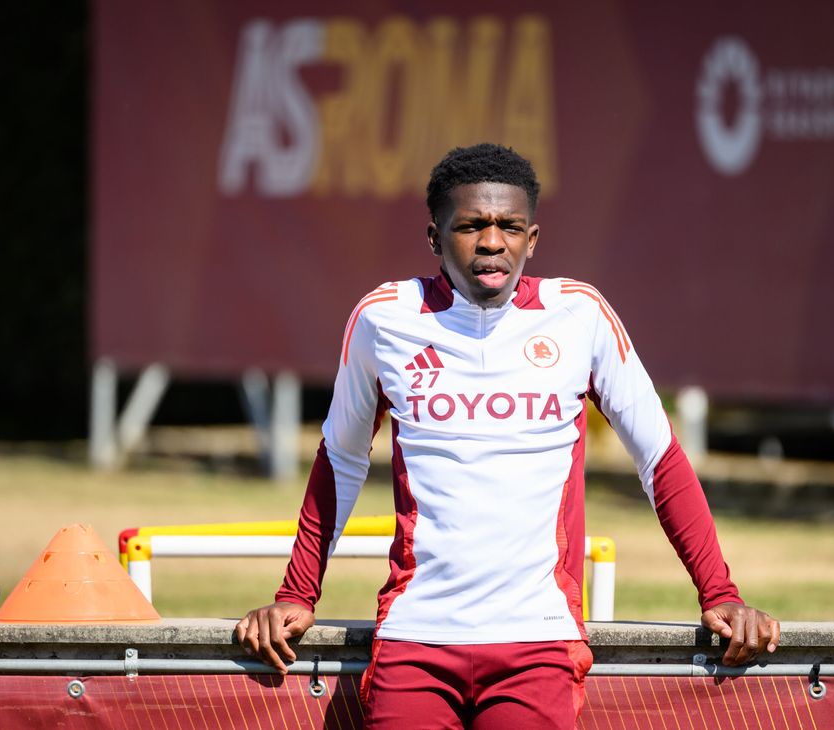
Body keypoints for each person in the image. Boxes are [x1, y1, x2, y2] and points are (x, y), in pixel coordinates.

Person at [237, 143, 779, 728]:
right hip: (416, 641)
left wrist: (719, 593)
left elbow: (660, 459)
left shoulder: (581, 315)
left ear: (533, 237)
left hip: (537, 642)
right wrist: (296, 594)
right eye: (471, 225)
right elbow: (340, 461)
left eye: (509, 227)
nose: (492, 242)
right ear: (434, 236)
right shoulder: (382, 317)